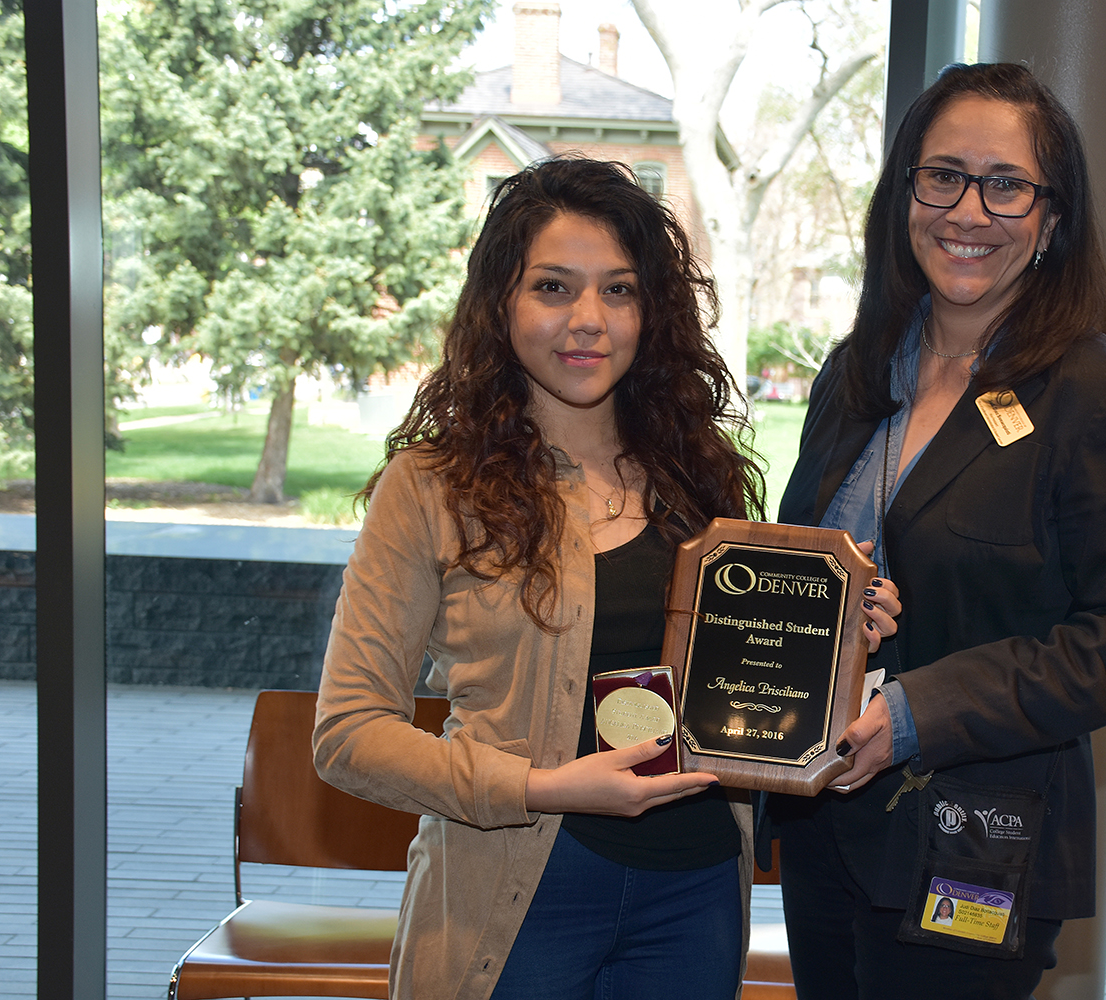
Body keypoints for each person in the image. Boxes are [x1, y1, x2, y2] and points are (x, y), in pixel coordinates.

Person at [313, 157, 903, 1000]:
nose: (588, 320)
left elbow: (748, 688)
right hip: (521, 892)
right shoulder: (432, 486)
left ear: (651, 310)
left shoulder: (701, 477)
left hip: (695, 891)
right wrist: (544, 786)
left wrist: (842, 639)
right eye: (553, 287)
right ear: (500, 304)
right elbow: (348, 734)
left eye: (619, 291)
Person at [768, 63, 1106, 1000]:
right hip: (822, 829)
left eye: (1005, 184)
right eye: (943, 176)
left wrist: (919, 712)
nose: (968, 211)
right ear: (906, 194)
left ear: (1051, 216)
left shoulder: (1100, 393)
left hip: (972, 835)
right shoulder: (855, 373)